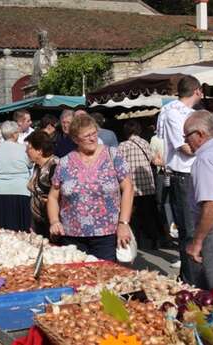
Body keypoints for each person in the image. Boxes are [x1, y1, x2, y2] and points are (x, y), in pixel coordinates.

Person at [47, 114, 134, 261]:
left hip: (106, 234)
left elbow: (128, 189)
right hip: (72, 236)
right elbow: (53, 197)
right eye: (86, 136)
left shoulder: (113, 155)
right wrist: (54, 221)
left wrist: (124, 223)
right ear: (75, 139)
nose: (92, 138)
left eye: (94, 133)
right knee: (77, 279)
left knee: (105, 279)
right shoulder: (64, 163)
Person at [157, 75, 204, 287]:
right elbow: (184, 147)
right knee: (190, 231)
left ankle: (191, 277)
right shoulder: (175, 112)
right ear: (197, 91)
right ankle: (191, 281)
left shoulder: (172, 110)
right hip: (185, 175)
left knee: (195, 230)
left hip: (190, 175)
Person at [185, 110, 213, 289]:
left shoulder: (205, 158)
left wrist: (197, 241)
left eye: (186, 136)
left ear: (200, 134)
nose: (185, 142)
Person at [118, 120, 161, 250]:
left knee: (134, 217)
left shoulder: (123, 146)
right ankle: (155, 240)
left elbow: (119, 165)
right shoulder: (145, 143)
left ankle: (136, 242)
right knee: (149, 214)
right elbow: (153, 159)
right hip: (148, 186)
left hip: (132, 187)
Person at [0, 121, 32, 231]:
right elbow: (30, 165)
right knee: (21, 228)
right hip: (21, 190)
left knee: (1, 228)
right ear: (14, 134)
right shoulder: (24, 149)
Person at [26, 131, 58, 239]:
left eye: (29, 148)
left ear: (39, 151)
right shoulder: (38, 166)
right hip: (39, 219)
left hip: (52, 221)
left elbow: (60, 194)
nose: (26, 151)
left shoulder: (54, 166)